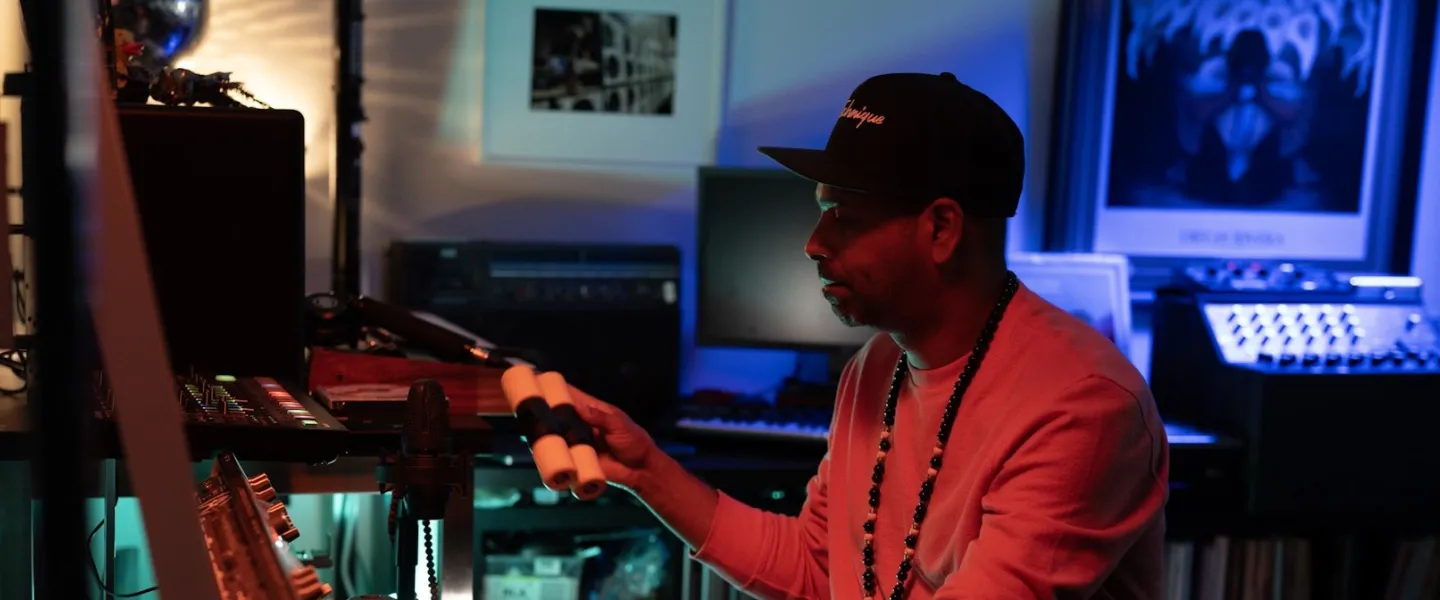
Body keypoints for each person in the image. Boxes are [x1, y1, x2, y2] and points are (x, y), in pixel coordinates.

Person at [570, 72, 1169, 599]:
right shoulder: (878, 365)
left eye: (846, 218)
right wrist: (645, 468)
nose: (814, 243)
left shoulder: (1082, 408)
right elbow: (816, 567)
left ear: (940, 228)